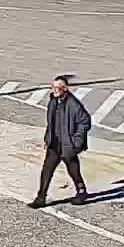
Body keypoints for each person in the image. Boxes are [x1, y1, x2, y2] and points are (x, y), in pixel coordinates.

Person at [29, 75, 91, 208]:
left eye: (57, 88)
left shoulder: (73, 105)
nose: (54, 90)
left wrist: (76, 141)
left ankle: (81, 192)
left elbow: (85, 121)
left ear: (65, 89)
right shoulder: (53, 102)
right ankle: (41, 197)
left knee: (73, 171)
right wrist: (48, 138)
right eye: (53, 87)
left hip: (68, 145)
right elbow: (51, 123)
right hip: (55, 143)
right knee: (47, 170)